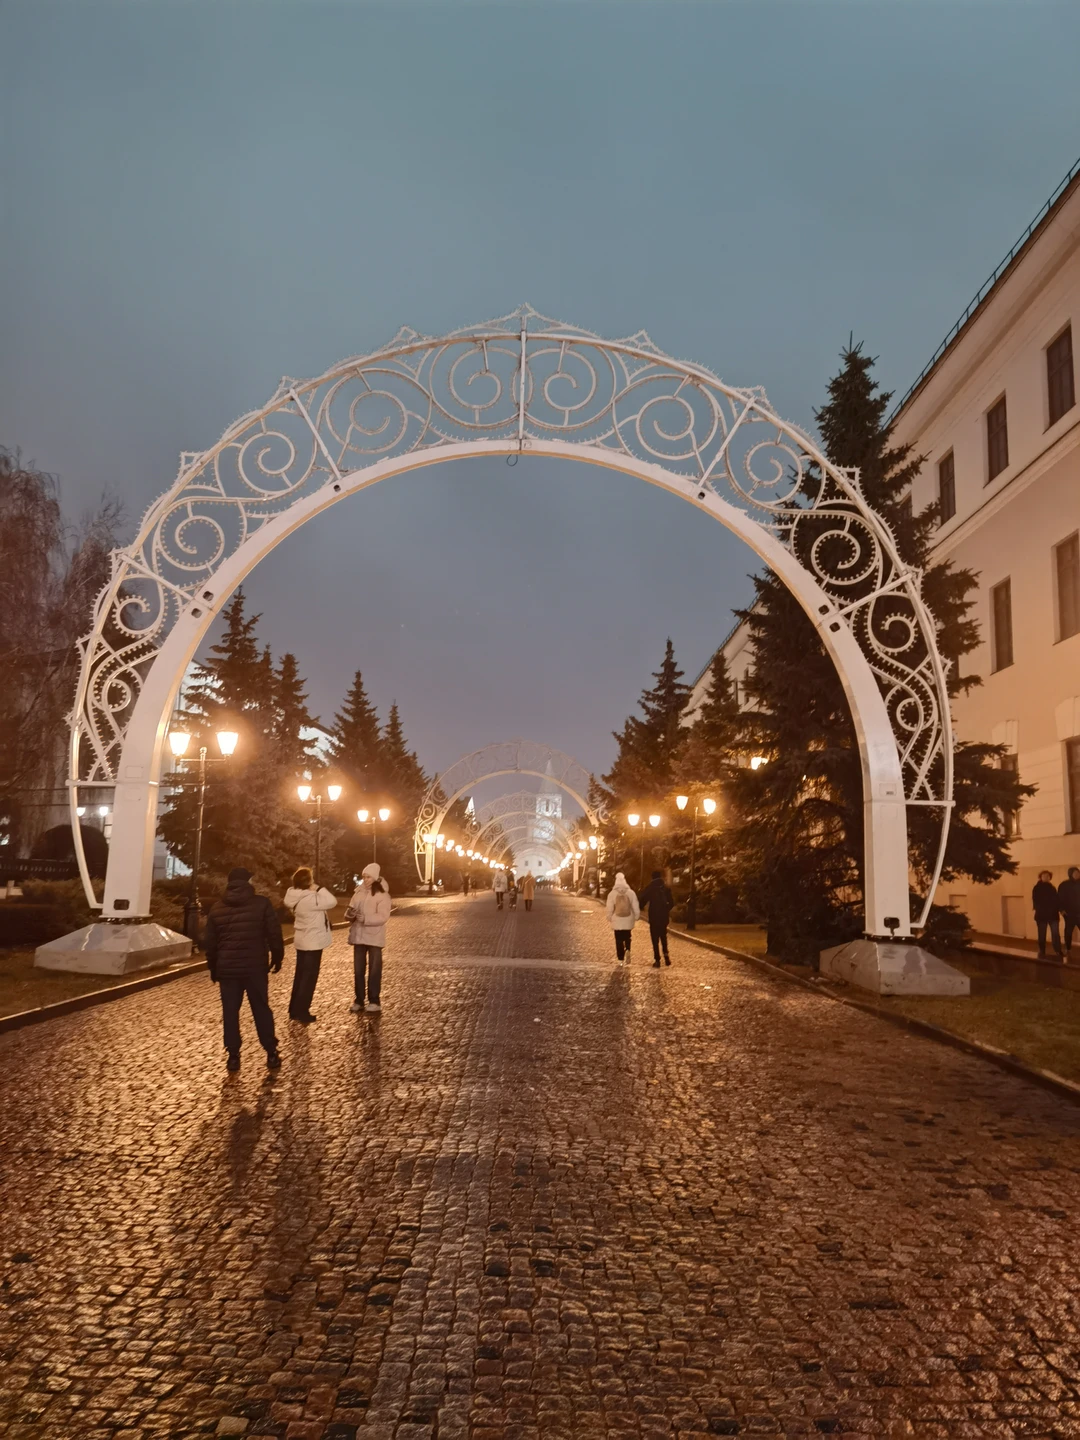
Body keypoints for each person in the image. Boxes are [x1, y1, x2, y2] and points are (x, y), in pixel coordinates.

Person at [204, 866, 283, 1072]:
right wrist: (277, 956)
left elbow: (210, 943)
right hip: (255, 967)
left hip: (227, 969)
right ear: (248, 883)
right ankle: (271, 1052)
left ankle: (233, 1056)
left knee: (230, 1012)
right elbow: (273, 933)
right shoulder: (262, 904)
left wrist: (213, 968)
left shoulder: (217, 907)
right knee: (261, 1008)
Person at [283, 866, 337, 1022]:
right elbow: (332, 901)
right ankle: (302, 1011)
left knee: (300, 975)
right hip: (313, 941)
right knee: (309, 977)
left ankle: (294, 1009)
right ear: (308, 881)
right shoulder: (311, 898)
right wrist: (318, 888)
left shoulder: (293, 894)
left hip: (301, 939)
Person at [346, 862, 392, 1012]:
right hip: (358, 936)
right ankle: (359, 1000)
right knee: (358, 970)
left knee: (374, 970)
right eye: (364, 877)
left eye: (368, 877)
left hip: (374, 937)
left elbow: (383, 916)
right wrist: (350, 915)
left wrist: (365, 918)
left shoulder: (382, 894)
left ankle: (374, 1000)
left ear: (375, 878)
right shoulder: (358, 892)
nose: (365, 880)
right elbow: (349, 910)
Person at [638, 869, 674, 967]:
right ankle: (666, 955)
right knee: (663, 935)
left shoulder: (651, 887)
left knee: (655, 938)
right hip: (663, 916)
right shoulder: (665, 887)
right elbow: (671, 903)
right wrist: (666, 910)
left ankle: (657, 959)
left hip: (654, 916)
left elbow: (642, 900)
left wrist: (641, 907)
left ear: (652, 877)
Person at [605, 871, 640, 964]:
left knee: (618, 939)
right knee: (627, 936)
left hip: (617, 919)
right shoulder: (631, 893)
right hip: (628, 919)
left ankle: (620, 958)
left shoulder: (612, 894)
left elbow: (609, 907)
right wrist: (637, 915)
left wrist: (609, 916)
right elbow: (635, 905)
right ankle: (628, 949)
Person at [1032, 870, 1063, 960]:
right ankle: (1042, 950)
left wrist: (1057, 910)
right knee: (1042, 934)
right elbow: (1036, 901)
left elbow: (1057, 901)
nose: (1046, 877)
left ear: (1050, 877)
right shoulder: (1037, 888)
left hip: (1053, 915)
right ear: (1040, 877)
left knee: (1056, 934)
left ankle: (1058, 950)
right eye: (1044, 876)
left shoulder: (1052, 888)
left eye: (1048, 876)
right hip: (1042, 916)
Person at [1060, 866, 1080, 960]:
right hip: (1069, 914)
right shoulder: (1064, 885)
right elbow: (1059, 898)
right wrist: (1062, 910)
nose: (1077, 874)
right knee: (1068, 932)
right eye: (1075, 873)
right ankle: (1068, 949)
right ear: (1070, 874)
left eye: (1078, 873)